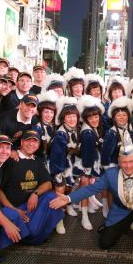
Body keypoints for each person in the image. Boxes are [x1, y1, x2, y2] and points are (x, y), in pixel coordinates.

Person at [0, 130, 64, 244]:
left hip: (31, 207)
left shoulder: (37, 161)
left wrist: (35, 194)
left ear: (38, 145)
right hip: (14, 208)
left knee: (52, 197)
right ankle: (31, 233)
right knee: (30, 231)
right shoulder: (11, 159)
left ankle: (34, 232)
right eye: (28, 141)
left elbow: (48, 183)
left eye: (35, 142)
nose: (31, 144)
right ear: (22, 142)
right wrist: (14, 209)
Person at [49, 96, 80, 233]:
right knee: (60, 190)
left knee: (70, 186)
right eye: (68, 116)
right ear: (63, 118)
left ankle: (68, 206)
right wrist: (59, 174)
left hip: (71, 164)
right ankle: (58, 219)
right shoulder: (60, 134)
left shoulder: (77, 130)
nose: (72, 119)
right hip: (60, 166)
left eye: (74, 116)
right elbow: (56, 157)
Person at [76, 95, 105, 230]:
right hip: (86, 166)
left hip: (89, 164)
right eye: (91, 118)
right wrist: (87, 171)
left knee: (86, 189)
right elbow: (87, 155)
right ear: (86, 119)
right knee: (85, 189)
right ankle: (84, 216)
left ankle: (84, 210)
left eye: (96, 116)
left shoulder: (92, 129)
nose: (94, 120)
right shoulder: (87, 133)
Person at [35, 90, 58, 165]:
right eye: (46, 112)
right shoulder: (37, 128)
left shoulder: (55, 126)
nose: (49, 115)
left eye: (51, 112)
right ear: (40, 113)